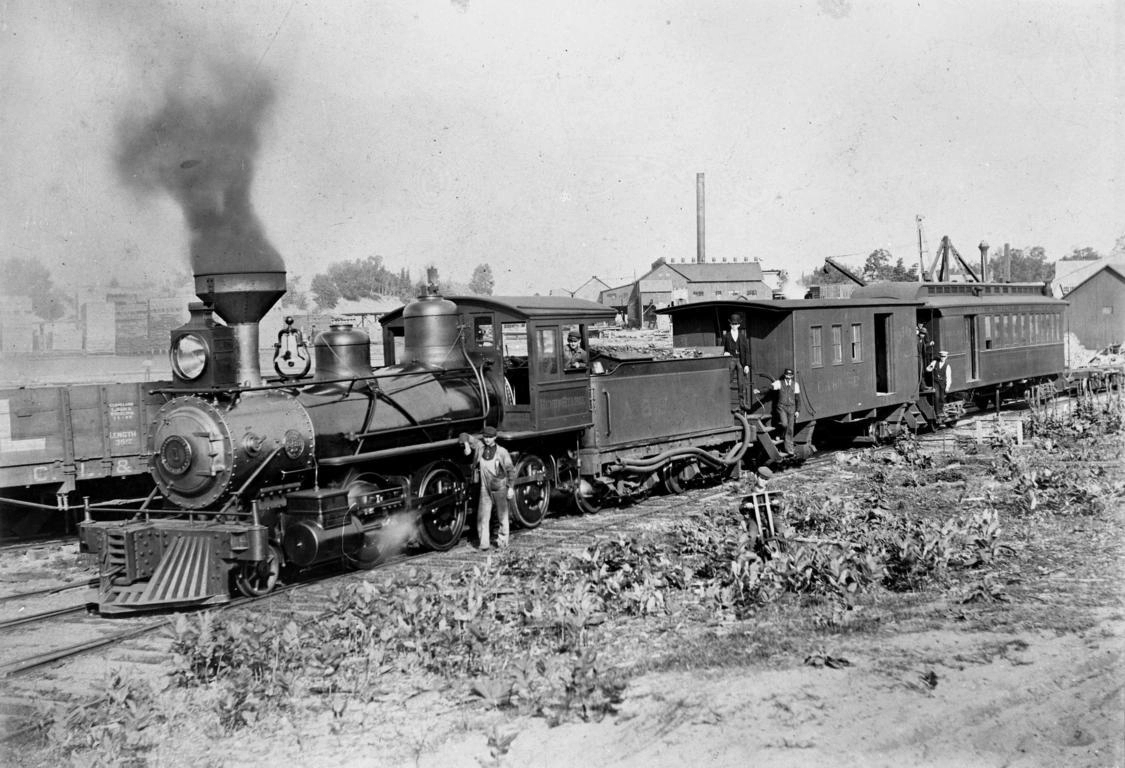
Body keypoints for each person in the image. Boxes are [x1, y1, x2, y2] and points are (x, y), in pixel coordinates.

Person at [460, 426, 516, 550]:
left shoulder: (502, 452)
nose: (487, 440)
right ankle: (484, 543)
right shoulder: (480, 447)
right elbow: (464, 435)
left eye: (490, 437)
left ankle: (502, 543)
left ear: (495, 437)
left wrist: (511, 487)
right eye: (485, 437)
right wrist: (467, 445)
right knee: (483, 516)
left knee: (502, 516)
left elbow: (510, 470)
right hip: (485, 487)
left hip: (500, 487)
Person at [721, 312, 753, 411]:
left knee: (741, 383)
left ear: (739, 325)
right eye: (732, 324)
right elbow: (722, 348)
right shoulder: (726, 336)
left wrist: (747, 365)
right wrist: (724, 353)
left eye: (736, 324)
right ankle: (725, 402)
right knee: (727, 381)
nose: (734, 326)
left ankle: (742, 403)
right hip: (730, 360)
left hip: (740, 360)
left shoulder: (742, 336)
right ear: (730, 324)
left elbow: (747, 351)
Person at [770, 368, 801, 456]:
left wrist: (798, 410)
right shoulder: (779, 383)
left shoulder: (795, 385)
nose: (788, 377)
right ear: (784, 375)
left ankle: (789, 449)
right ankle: (779, 432)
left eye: (790, 375)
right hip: (781, 407)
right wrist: (760, 391)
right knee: (784, 424)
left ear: (792, 376)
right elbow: (769, 388)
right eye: (787, 375)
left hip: (791, 408)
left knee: (790, 429)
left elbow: (798, 399)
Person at [926, 350, 952, 425]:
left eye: (944, 357)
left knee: (942, 398)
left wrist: (947, 387)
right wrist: (930, 366)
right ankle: (938, 413)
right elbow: (928, 369)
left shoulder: (947, 366)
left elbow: (948, 378)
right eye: (941, 356)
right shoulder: (935, 362)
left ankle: (941, 412)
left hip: (943, 384)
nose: (942, 358)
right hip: (936, 383)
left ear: (946, 357)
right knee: (936, 396)